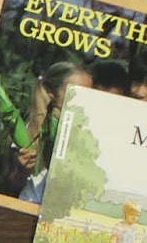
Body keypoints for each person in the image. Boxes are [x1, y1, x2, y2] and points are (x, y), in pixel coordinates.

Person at [16, 60, 92, 203]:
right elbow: (11, 183)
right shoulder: (26, 130)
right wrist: (22, 168)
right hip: (30, 205)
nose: (83, 100)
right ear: (51, 93)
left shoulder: (89, 134)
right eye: (75, 93)